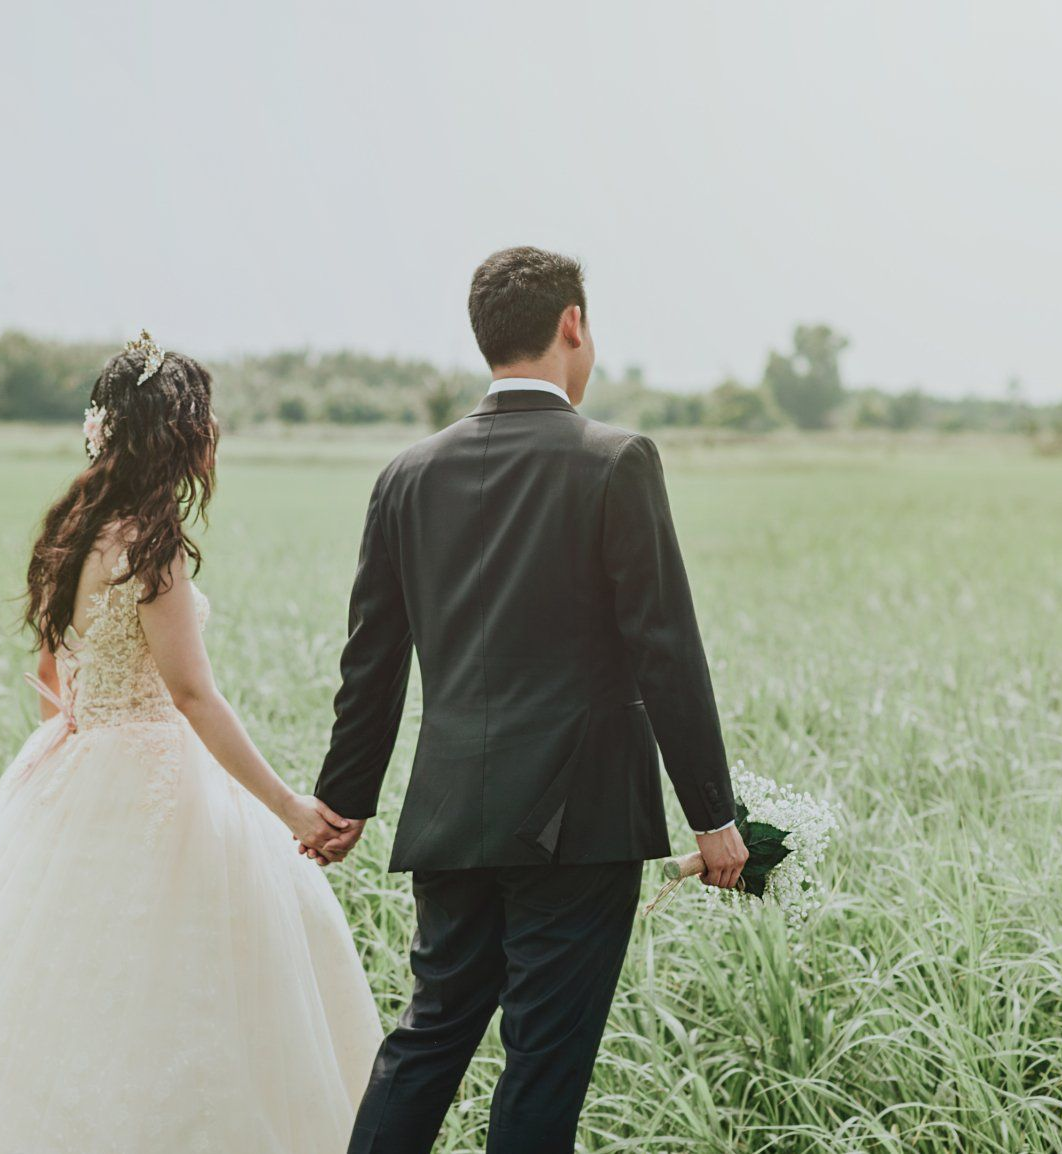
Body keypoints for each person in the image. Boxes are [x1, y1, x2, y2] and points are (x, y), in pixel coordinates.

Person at [0, 333, 382, 1153]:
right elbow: (192, 695)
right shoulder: (155, 549)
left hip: (73, 764)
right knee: (176, 1003)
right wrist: (291, 808)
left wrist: (82, 745)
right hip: (154, 774)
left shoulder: (73, 531)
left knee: (50, 1000)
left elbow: (51, 675)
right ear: (178, 436)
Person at [310, 247, 751, 1154]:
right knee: (542, 1072)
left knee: (426, 1043)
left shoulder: (407, 474)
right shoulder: (617, 459)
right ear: (573, 325)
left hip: (449, 817)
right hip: (578, 826)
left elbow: (373, 661)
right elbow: (665, 648)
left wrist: (346, 800)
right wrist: (713, 815)